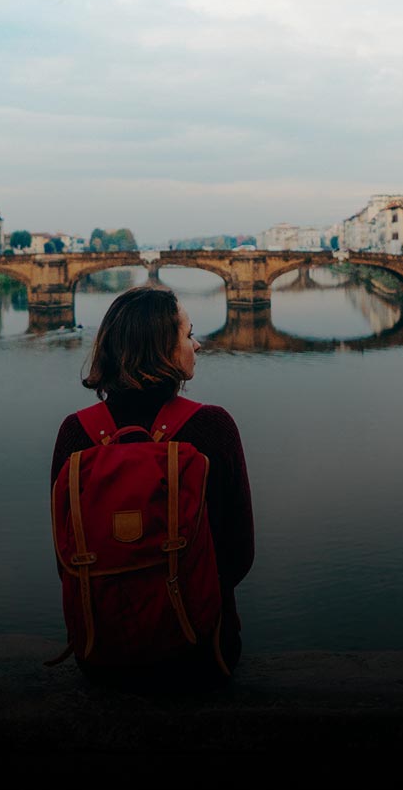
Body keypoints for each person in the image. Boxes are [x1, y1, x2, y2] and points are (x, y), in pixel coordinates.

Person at [49, 284, 254, 688]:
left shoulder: (76, 434)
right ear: (165, 349)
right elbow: (239, 556)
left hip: (101, 657)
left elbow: (65, 560)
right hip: (200, 654)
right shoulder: (213, 428)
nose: (197, 344)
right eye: (188, 334)